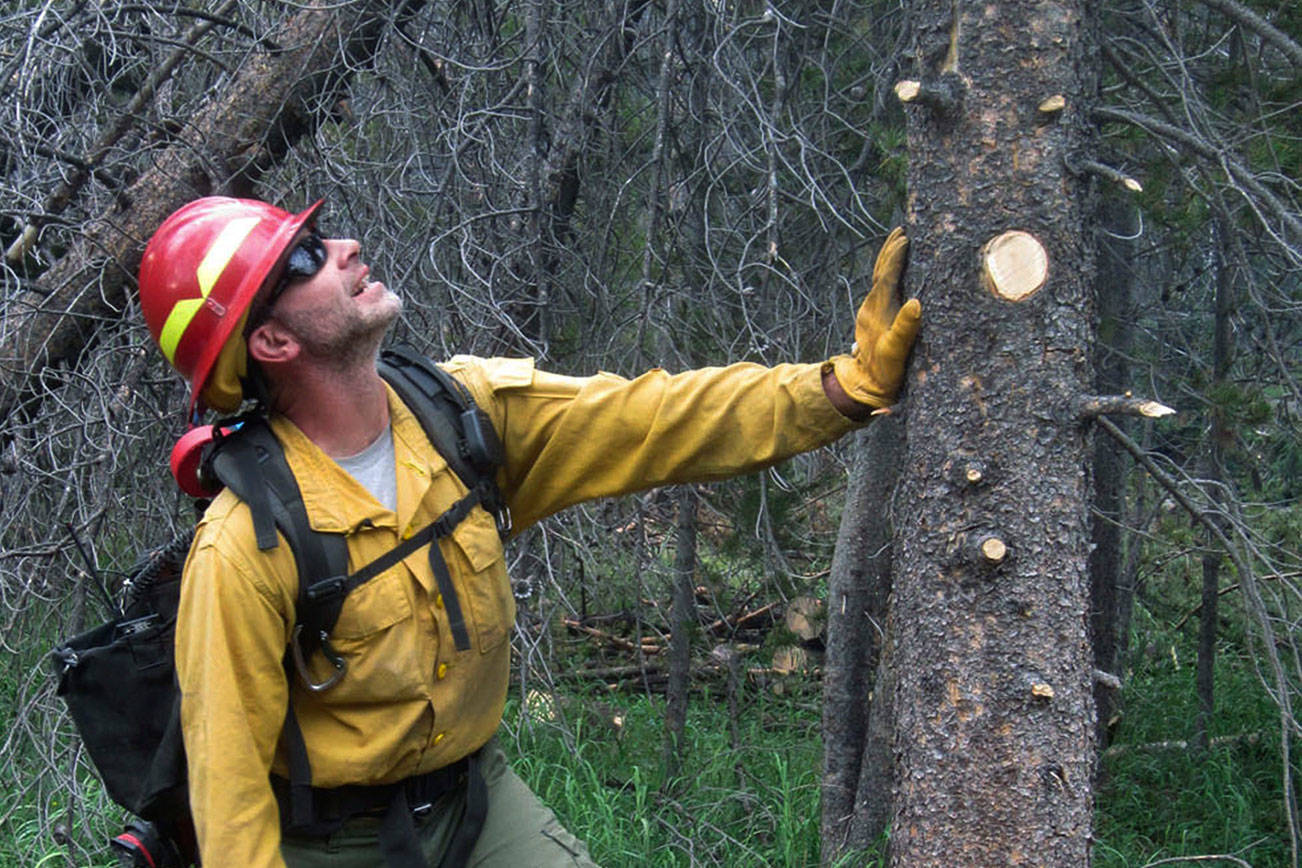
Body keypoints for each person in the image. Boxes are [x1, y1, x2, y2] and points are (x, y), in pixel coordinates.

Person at [137, 195, 921, 868]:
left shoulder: (462, 418)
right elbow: (228, 790)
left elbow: (657, 420)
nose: (343, 248)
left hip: (471, 798)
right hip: (325, 840)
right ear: (273, 343)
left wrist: (838, 391)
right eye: (305, 258)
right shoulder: (244, 546)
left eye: (321, 236)